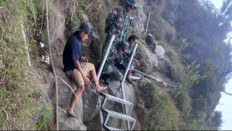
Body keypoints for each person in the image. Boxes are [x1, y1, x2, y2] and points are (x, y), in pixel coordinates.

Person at [63, 22, 107, 117]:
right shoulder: (74, 41)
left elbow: (74, 55)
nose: (87, 37)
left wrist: (81, 57)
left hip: (75, 64)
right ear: (82, 32)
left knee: (91, 66)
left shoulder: (77, 39)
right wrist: (84, 76)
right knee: (81, 87)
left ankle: (97, 86)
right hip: (71, 68)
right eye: (87, 35)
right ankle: (70, 109)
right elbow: (75, 62)